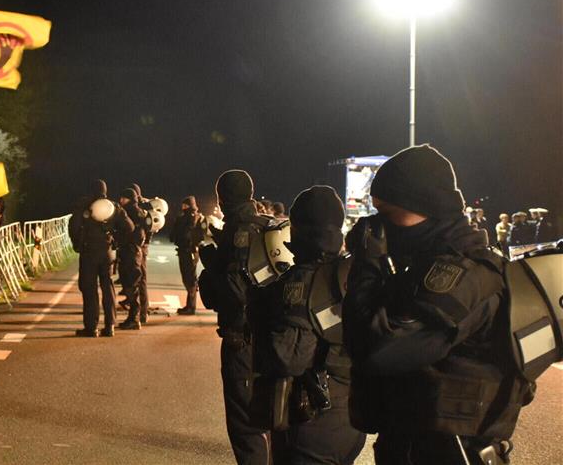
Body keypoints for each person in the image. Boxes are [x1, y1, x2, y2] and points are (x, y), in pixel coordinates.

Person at [343, 144, 528, 464]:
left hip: (448, 453)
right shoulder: (424, 267)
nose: (379, 226)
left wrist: (367, 264)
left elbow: (377, 350)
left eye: (387, 214)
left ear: (424, 206)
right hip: (415, 446)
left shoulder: (464, 276)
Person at [254, 186, 365, 465]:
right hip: (351, 411)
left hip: (313, 416)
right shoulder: (355, 273)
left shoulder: (301, 282)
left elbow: (288, 358)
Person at [198, 169, 271, 464]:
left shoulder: (239, 234)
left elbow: (233, 292)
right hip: (272, 338)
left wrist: (211, 267)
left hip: (243, 339)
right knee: (273, 420)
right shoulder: (266, 225)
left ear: (222, 198)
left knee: (245, 425)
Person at [68, 180, 134, 337]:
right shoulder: (113, 207)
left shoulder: (84, 205)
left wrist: (77, 244)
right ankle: (110, 326)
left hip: (89, 252)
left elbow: (74, 227)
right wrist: (116, 240)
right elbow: (130, 227)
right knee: (108, 288)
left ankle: (91, 328)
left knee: (89, 289)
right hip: (107, 253)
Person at [118, 188, 150, 330]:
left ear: (129, 199)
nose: (121, 201)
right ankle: (135, 317)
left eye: (123, 198)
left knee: (132, 285)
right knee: (132, 284)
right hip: (134, 251)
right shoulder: (140, 212)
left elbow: (125, 230)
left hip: (131, 251)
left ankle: (134, 319)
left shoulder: (129, 212)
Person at [169, 195, 206, 315]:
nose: (182, 207)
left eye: (184, 205)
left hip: (188, 251)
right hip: (189, 251)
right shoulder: (195, 217)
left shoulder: (190, 218)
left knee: (189, 279)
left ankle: (191, 307)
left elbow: (184, 234)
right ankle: (189, 305)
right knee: (189, 279)